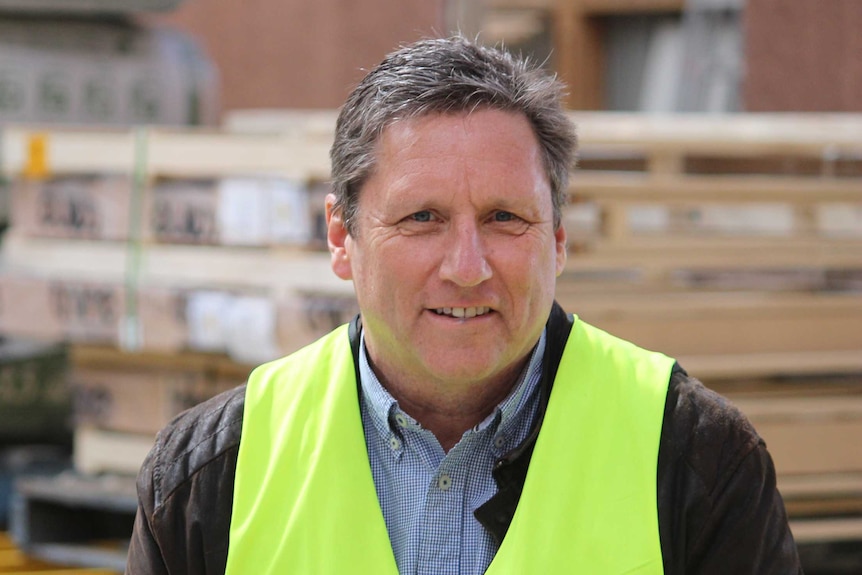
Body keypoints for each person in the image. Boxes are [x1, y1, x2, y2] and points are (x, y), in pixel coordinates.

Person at [126, 36, 802, 574]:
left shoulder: (697, 461)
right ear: (341, 236)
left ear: (558, 239)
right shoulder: (206, 479)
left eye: (505, 217)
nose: (468, 267)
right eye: (423, 217)